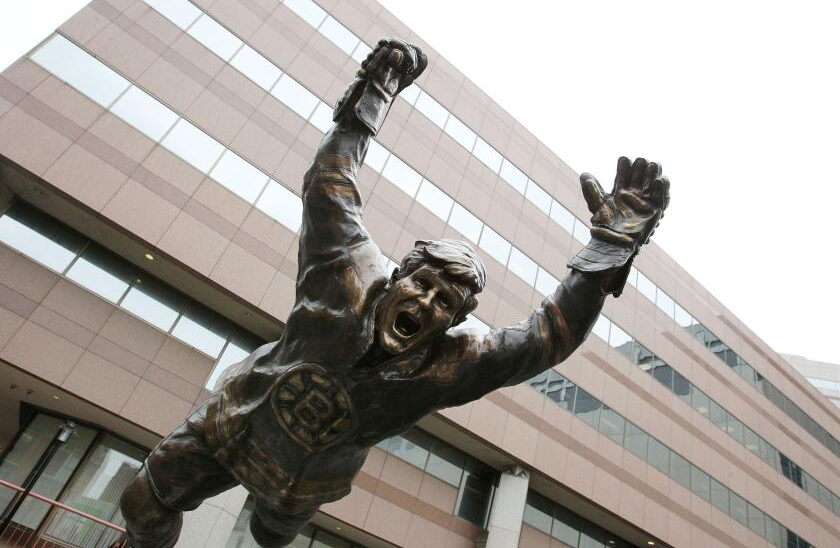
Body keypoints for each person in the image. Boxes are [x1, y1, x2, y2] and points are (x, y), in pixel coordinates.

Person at [119, 39, 669, 548]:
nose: (427, 304)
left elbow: (547, 337)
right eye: (423, 285)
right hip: (238, 418)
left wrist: (608, 250)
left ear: (456, 321)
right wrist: (374, 94)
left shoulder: (452, 364)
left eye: (445, 305)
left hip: (309, 475)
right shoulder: (346, 273)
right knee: (142, 502)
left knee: (270, 535)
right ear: (398, 276)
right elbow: (330, 183)